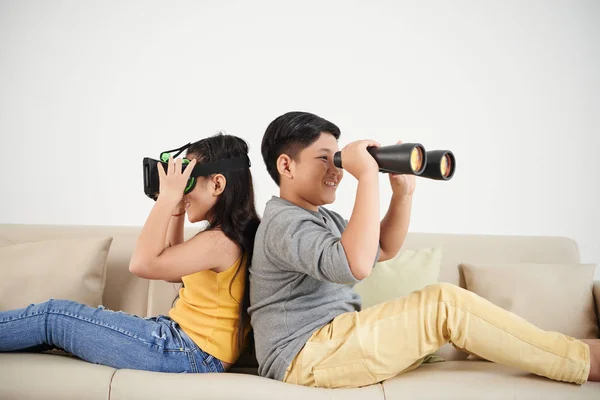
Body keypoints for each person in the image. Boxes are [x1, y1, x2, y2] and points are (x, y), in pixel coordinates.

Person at [247, 111, 599, 388]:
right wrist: (367, 178)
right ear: (286, 165)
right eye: (324, 159)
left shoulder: (321, 217)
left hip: (332, 343)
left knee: (445, 307)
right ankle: (579, 359)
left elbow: (382, 248)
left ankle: (562, 350)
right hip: (304, 356)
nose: (336, 171)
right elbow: (355, 265)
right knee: (444, 304)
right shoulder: (282, 223)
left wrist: (403, 193)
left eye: (338, 159)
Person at [0, 133, 260, 374]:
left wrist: (166, 198)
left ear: (217, 184)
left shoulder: (219, 242)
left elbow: (142, 264)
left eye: (187, 180)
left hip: (187, 352)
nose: (181, 189)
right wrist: (177, 208)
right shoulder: (227, 237)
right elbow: (171, 270)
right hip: (185, 345)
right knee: (59, 320)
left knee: (52, 316)